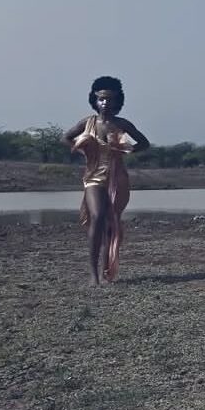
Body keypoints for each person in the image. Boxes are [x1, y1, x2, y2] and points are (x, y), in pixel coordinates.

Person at [63, 76, 150, 285]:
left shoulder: (121, 124)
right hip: (93, 176)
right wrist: (81, 149)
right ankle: (93, 275)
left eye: (109, 99)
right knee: (97, 216)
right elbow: (66, 137)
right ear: (95, 100)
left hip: (116, 176)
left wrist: (126, 149)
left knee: (111, 222)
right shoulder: (87, 123)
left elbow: (144, 143)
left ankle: (106, 271)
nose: (105, 103)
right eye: (101, 99)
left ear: (117, 101)